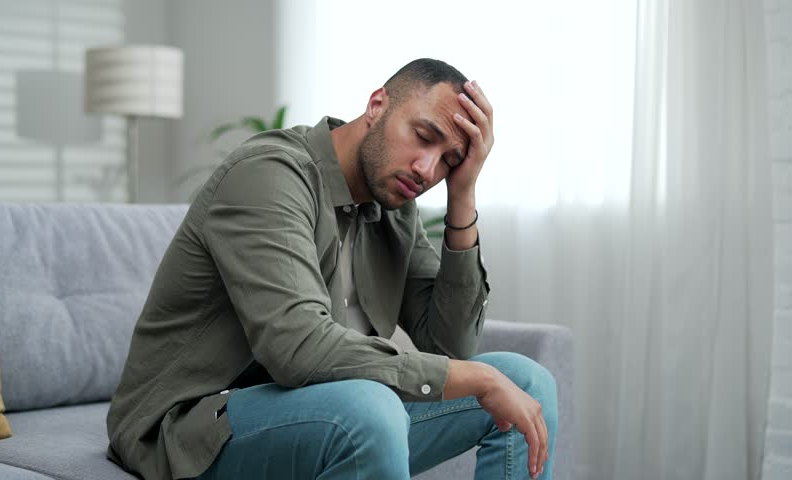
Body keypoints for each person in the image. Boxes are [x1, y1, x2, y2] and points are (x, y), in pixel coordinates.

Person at [106, 58, 558, 480]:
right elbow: (298, 347)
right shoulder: (270, 174)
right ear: (377, 105)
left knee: (526, 383)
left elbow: (449, 346)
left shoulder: (394, 205)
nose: (426, 168)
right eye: (423, 135)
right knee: (370, 407)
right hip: (187, 425)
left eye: (448, 161)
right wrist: (476, 378)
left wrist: (463, 195)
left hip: (314, 410)